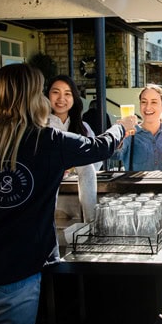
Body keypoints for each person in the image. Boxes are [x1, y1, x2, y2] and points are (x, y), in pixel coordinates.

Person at [0, 64, 135, 324]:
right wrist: (121, 126)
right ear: (35, 98)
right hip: (13, 275)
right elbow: (100, 147)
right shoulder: (48, 142)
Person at [46, 75, 99, 222]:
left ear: (74, 98)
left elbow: (95, 161)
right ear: (47, 95)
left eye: (67, 93)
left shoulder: (84, 128)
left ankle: (92, 223)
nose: (61, 98)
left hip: (81, 197)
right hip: (48, 201)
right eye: (56, 92)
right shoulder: (39, 126)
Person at [112, 84, 162, 171]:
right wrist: (119, 134)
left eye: (154, 102)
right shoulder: (130, 135)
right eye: (144, 102)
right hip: (135, 184)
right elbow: (114, 155)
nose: (148, 107)